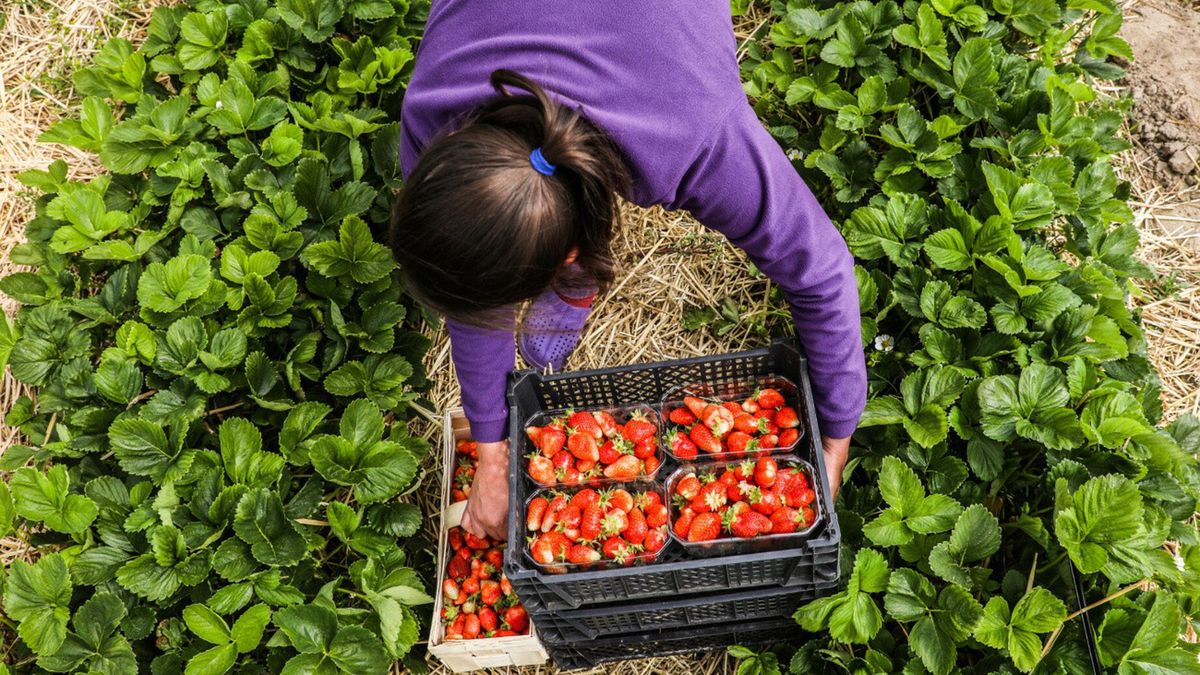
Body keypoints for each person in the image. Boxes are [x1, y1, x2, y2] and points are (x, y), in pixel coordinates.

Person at [390, 1, 867, 540]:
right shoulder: (432, 120)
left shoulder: (694, 132)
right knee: (509, 217)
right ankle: (563, 253)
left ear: (569, 252)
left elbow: (820, 271)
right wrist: (493, 452)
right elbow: (471, 270)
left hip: (662, 38)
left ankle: (573, 272)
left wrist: (836, 435)